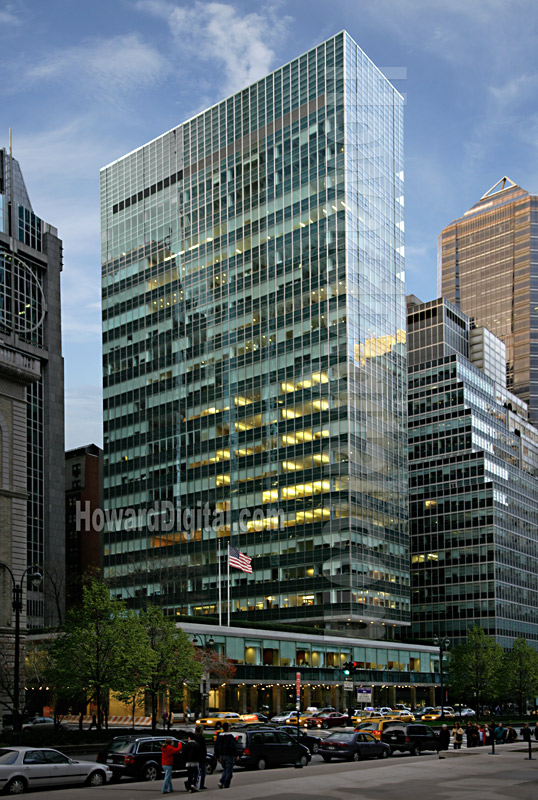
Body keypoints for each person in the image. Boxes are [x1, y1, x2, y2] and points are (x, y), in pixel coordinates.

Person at [214, 722, 239, 789]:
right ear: (228, 728)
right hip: (229, 756)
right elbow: (233, 746)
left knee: (226, 769)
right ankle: (225, 784)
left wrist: (217, 756)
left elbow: (216, 746)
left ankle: (221, 781)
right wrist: (236, 755)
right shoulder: (230, 736)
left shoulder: (220, 736)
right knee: (229, 771)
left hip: (222, 756)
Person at [194, 724, 208, 790]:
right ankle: (201, 785)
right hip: (202, 757)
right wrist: (205, 755)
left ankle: (194, 784)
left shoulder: (195, 738)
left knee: (195, 772)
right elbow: (204, 749)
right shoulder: (202, 738)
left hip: (195, 756)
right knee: (203, 772)